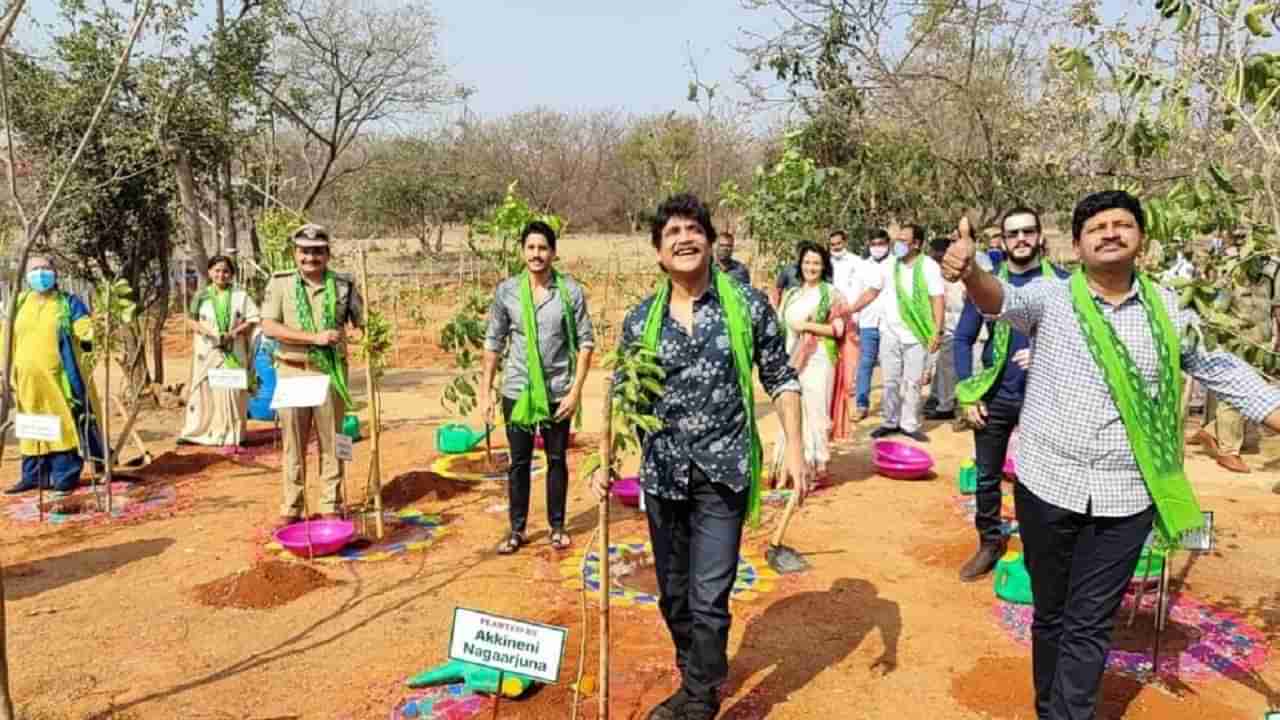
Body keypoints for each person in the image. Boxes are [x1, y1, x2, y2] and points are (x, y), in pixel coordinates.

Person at [941, 190, 1280, 720]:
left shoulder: (1168, 309)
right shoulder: (1052, 298)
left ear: (1140, 239)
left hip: (1126, 497)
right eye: (1096, 227)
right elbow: (998, 298)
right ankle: (1050, 705)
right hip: (1048, 484)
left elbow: (1218, 366)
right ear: (1076, 245)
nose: (1110, 233)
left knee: (1090, 618)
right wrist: (969, 274)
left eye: (1122, 224)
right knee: (1051, 612)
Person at [590, 194, 808, 720]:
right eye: (672, 233)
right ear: (659, 254)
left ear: (710, 242)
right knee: (674, 596)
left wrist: (794, 448)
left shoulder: (748, 305)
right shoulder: (641, 319)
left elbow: (781, 377)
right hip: (663, 475)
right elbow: (624, 396)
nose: (685, 238)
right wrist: (606, 461)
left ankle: (699, 698)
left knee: (710, 596)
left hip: (724, 471)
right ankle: (696, 674)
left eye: (694, 229)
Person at [951, 206, 1066, 582]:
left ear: (1040, 237)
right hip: (996, 393)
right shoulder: (987, 285)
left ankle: (1040, 552)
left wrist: (1046, 351)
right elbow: (963, 338)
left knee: (1038, 479)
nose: (1021, 239)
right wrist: (968, 393)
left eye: (1028, 232)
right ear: (1002, 240)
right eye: (1012, 233)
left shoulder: (1064, 284)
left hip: (1045, 397)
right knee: (986, 476)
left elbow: (1081, 342)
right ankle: (989, 542)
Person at [481, 221, 594, 553]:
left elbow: (586, 344)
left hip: (558, 391)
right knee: (519, 462)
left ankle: (557, 527)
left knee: (556, 459)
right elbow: (493, 342)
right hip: (517, 391)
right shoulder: (507, 292)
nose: (536, 254)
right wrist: (485, 390)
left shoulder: (570, 292)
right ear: (522, 252)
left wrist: (575, 392)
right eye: (530, 248)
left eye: (543, 248)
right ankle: (516, 530)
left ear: (554, 253)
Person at [260, 224, 364, 527]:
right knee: (294, 443)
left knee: (334, 441)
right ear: (295, 254)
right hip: (293, 371)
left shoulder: (344, 285)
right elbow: (269, 326)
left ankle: (331, 502)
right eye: (305, 251)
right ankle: (291, 506)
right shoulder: (279, 284)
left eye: (317, 251)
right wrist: (313, 338)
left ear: (327, 254)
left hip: (330, 374)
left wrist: (362, 337)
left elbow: (360, 324)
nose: (311, 257)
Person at [6, 256, 104, 496]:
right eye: (35, 269)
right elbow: (6, 337)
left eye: (45, 269)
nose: (40, 274)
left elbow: (84, 328)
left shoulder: (68, 303)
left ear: (55, 273)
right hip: (26, 379)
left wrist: (94, 330)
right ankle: (33, 476)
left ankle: (64, 475)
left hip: (58, 380)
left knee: (61, 424)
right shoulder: (18, 303)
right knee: (30, 425)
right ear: (26, 274)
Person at [847, 224, 945, 441]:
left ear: (917, 244)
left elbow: (937, 298)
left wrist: (937, 332)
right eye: (897, 240)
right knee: (890, 381)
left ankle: (909, 424)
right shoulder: (890, 266)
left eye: (903, 241)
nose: (898, 245)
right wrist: (849, 309)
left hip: (917, 334)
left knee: (913, 382)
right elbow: (872, 291)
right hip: (890, 332)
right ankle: (890, 421)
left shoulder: (929, 267)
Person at [1188, 244, 1279, 474]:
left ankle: (1209, 432)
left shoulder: (1271, 273)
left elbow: (1274, 310)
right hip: (1236, 344)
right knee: (1233, 396)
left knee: (1255, 393)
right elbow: (1216, 311)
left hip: (1261, 345)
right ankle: (1229, 451)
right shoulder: (1232, 277)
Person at [775, 242, 850, 480]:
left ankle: (818, 464)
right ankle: (788, 463)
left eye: (816, 263)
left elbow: (838, 329)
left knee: (815, 410)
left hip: (818, 358)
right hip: (790, 359)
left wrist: (807, 326)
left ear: (824, 266)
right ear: (800, 265)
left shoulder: (831, 294)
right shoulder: (792, 294)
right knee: (791, 408)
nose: (811, 267)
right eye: (807, 262)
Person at [179, 256, 260, 447]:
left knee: (231, 391)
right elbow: (190, 320)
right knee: (205, 390)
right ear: (209, 272)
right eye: (217, 270)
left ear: (231, 274)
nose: (221, 275)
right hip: (208, 350)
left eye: (225, 271)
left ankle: (233, 434)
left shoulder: (241, 296)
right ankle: (200, 432)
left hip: (233, 350)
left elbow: (253, 319)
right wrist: (207, 332)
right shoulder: (201, 296)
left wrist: (233, 333)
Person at [922, 236, 965, 421]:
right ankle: (942, 401)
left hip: (962, 324)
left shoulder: (960, 270)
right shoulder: (932, 272)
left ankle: (952, 404)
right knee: (943, 366)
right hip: (943, 325)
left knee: (958, 367)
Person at [851, 229, 891, 420]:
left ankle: (889, 406)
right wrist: (855, 319)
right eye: (874, 244)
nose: (877, 248)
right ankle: (861, 404)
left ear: (888, 243)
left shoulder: (896, 264)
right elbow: (858, 292)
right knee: (865, 364)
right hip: (868, 322)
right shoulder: (862, 266)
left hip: (891, 323)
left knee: (890, 366)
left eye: (881, 244)